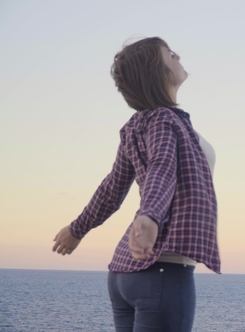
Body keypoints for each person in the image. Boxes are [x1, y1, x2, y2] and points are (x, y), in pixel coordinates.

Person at [52, 37, 221, 332]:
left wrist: (76, 229)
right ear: (157, 72)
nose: (178, 55)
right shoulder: (166, 121)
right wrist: (150, 215)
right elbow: (162, 168)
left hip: (125, 273)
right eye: (170, 54)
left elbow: (112, 188)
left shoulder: (138, 125)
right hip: (162, 270)